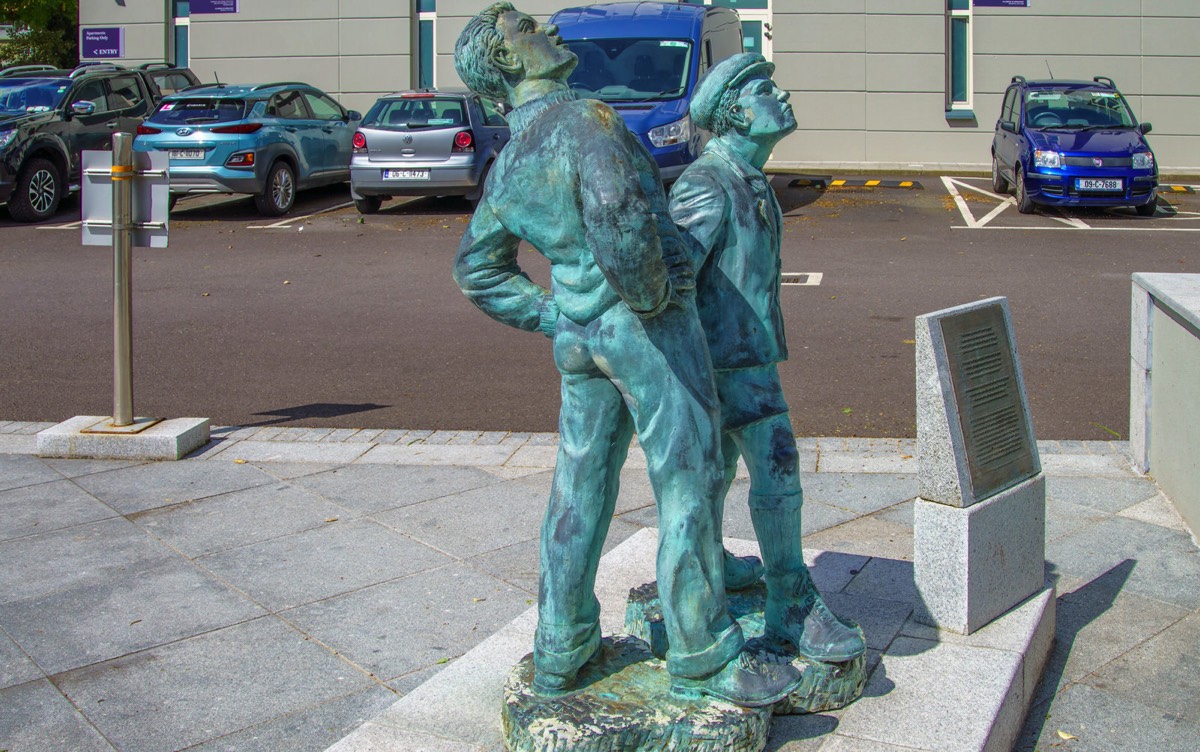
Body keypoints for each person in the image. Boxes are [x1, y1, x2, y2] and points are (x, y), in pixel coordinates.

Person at [452, 4, 801, 707]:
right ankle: (704, 654)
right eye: (526, 26)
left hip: (580, 337)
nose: (546, 26)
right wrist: (654, 295)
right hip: (644, 331)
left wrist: (552, 311)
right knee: (691, 479)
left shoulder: (513, 156)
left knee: (579, 487)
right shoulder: (589, 122)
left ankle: (562, 645)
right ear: (510, 61)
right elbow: (616, 216)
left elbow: (478, 268)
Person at [669, 53, 866, 663]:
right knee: (778, 471)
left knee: (718, 478)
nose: (781, 96)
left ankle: (717, 571)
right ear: (733, 113)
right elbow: (670, 284)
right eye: (764, 90)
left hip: (745, 360)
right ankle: (790, 602)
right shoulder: (708, 184)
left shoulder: (750, 178)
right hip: (725, 368)